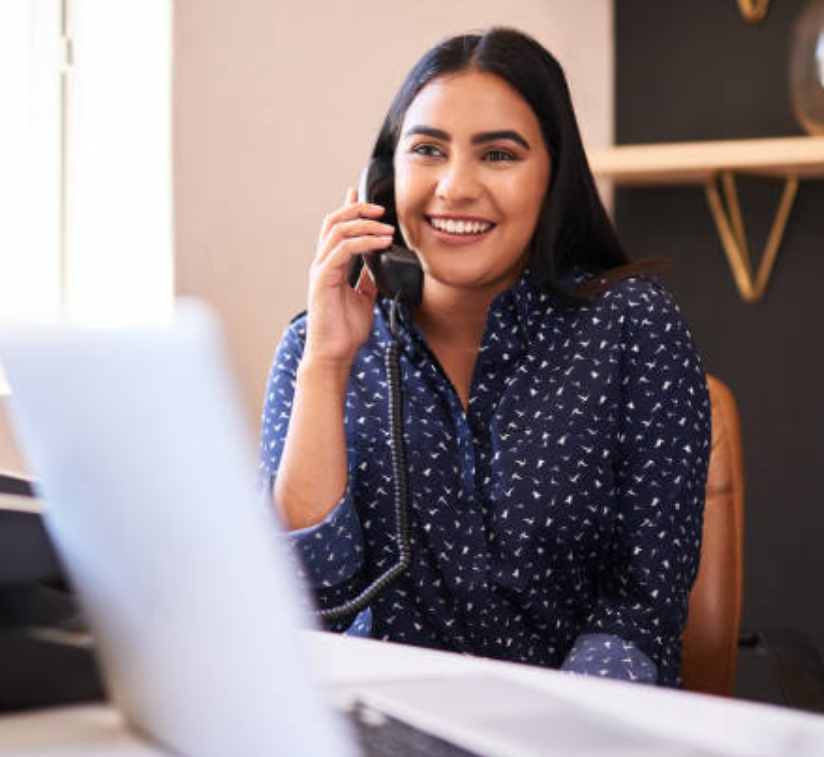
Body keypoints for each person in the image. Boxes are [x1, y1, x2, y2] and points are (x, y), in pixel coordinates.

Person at [259, 27, 710, 688]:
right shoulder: (316, 346)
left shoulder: (633, 326)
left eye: (498, 155)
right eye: (427, 151)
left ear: (553, 174)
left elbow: (641, 611)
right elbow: (302, 606)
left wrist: (548, 729)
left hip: (577, 730)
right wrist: (327, 363)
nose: (455, 187)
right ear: (381, 180)